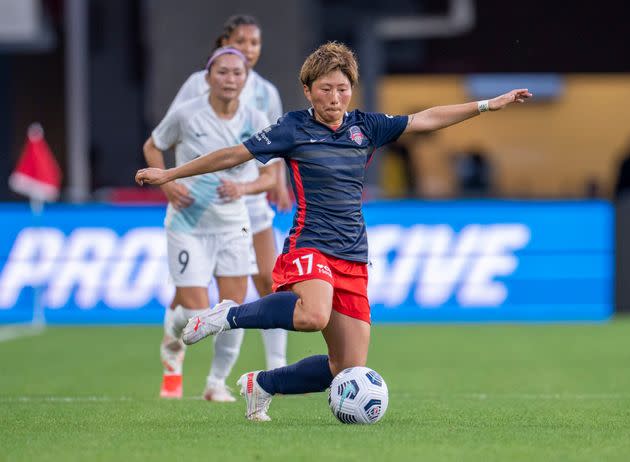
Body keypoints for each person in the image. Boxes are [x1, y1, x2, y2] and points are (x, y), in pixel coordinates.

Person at [136, 42, 532, 421]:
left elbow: (425, 118)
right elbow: (232, 154)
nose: (335, 98)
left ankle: (262, 384)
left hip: (353, 255)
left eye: (343, 89)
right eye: (325, 89)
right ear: (308, 90)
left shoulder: (367, 128)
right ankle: (230, 315)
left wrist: (485, 105)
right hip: (309, 246)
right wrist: (171, 173)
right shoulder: (292, 129)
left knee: (346, 367)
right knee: (312, 314)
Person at [144, 47, 277, 401]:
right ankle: (172, 340)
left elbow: (271, 177)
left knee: (232, 312)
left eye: (237, 73)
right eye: (223, 72)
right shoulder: (187, 115)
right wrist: (170, 185)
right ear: (208, 77)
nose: (230, 79)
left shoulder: (257, 118)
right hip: (188, 224)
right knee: (196, 312)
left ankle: (216, 383)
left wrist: (244, 187)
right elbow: (153, 146)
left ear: (246, 79)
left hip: (234, 225)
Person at [165, 14, 291, 378]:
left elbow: (278, 139)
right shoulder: (197, 84)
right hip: (208, 201)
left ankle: (276, 364)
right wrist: (174, 181)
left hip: (250, 197)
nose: (249, 50)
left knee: (269, 280)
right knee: (195, 294)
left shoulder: (266, 91)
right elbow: (173, 131)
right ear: (224, 44)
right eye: (241, 41)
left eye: (255, 43)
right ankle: (173, 333)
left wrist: (278, 180)